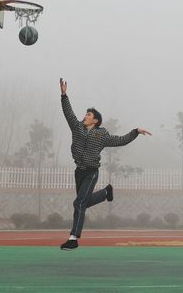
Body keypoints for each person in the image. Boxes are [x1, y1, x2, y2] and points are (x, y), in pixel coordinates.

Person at [59, 77, 151, 251]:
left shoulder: (102, 135)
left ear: (95, 120)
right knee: (83, 203)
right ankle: (106, 193)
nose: (85, 116)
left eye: (89, 115)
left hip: (91, 172)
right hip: (79, 171)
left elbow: (121, 140)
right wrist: (64, 95)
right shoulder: (77, 128)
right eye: (85, 114)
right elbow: (68, 113)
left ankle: (73, 239)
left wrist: (136, 132)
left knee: (79, 203)